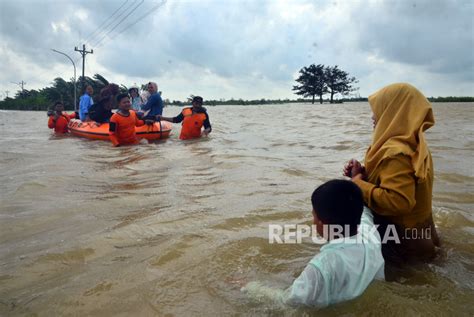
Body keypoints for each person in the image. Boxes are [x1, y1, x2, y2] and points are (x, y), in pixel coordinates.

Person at [243, 180, 384, 308]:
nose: (313, 221)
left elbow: (289, 301)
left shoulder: (322, 266)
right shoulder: (370, 234)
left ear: (322, 224)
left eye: (314, 216)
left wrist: (250, 286)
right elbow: (364, 211)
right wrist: (357, 178)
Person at [343, 83, 440, 269]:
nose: (373, 116)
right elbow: (405, 183)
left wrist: (357, 183)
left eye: (378, 109)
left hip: (406, 249)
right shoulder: (415, 144)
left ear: (393, 111)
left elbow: (399, 201)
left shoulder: (396, 153)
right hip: (423, 240)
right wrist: (365, 173)